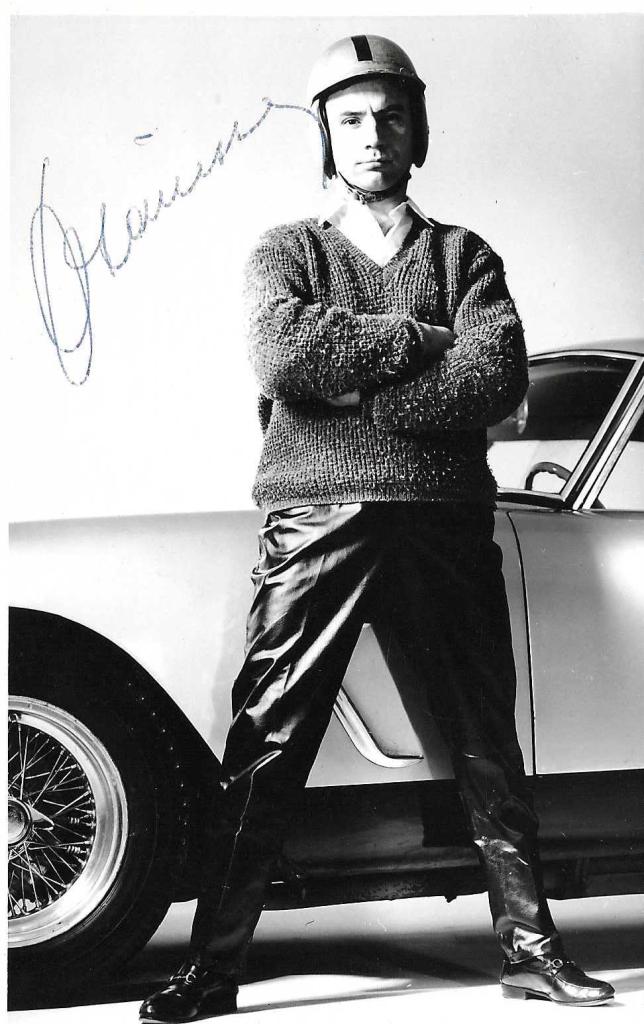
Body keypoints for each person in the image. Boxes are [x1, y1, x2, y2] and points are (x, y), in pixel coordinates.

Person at [139, 34, 614, 1022]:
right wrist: (417, 342)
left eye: (390, 115)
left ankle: (532, 953)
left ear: (417, 128)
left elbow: (493, 377)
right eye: (350, 118)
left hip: (443, 514)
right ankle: (211, 969)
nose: (371, 135)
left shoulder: (464, 254)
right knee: (271, 734)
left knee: (484, 735)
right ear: (324, 134)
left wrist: (359, 398)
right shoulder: (288, 251)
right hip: (316, 512)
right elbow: (284, 357)